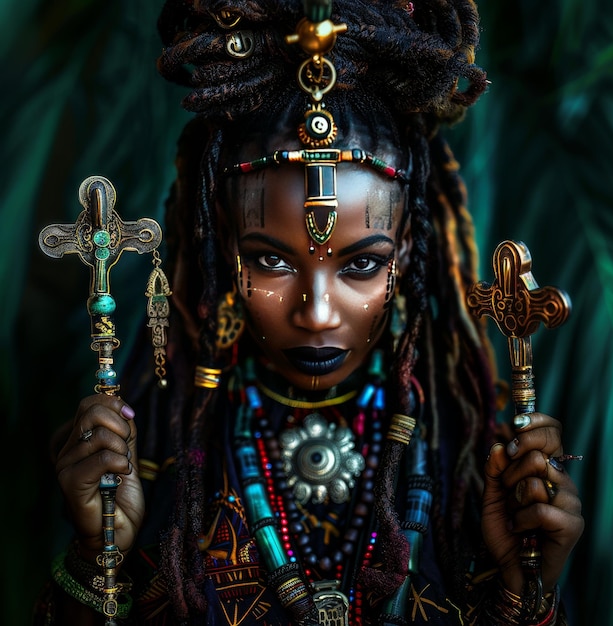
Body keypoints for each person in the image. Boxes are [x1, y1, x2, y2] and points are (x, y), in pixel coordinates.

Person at [34, 0, 584, 624]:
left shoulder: (473, 461)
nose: (317, 314)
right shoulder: (163, 447)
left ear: (405, 247)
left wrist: (526, 583)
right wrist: (96, 553)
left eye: (360, 265)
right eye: (271, 261)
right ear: (224, 243)